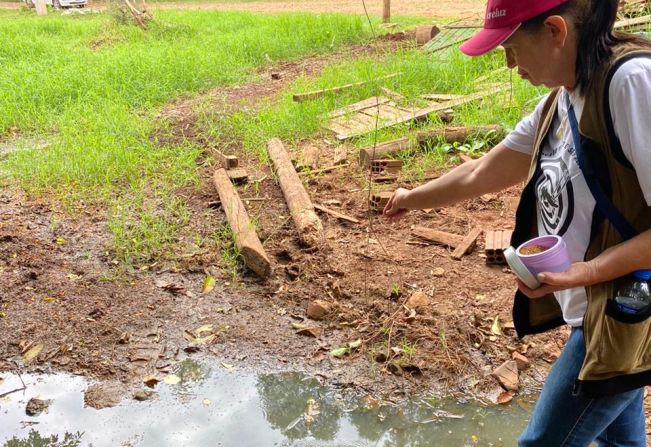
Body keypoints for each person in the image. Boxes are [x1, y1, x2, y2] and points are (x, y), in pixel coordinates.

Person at [383, 0, 651, 445]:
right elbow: (479, 173)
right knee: (620, 441)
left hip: (626, 310)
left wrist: (586, 272)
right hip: (603, 313)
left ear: (554, 31)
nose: (509, 64)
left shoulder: (630, 86)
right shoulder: (562, 102)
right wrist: (412, 198)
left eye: (510, 46)